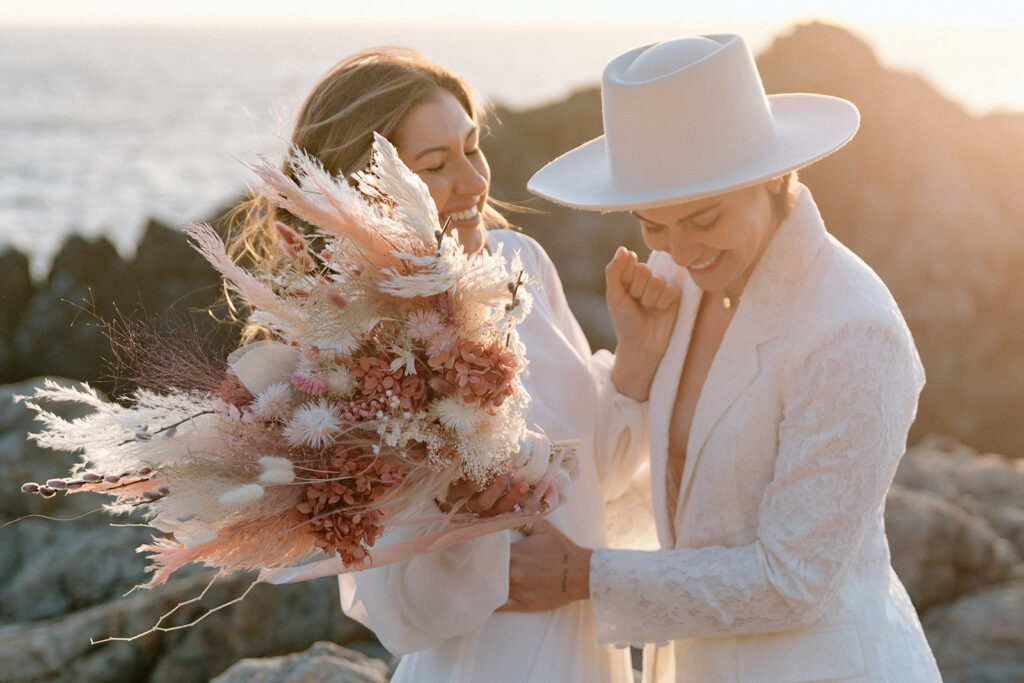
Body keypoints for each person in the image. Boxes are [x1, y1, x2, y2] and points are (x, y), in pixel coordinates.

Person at [507, 34, 942, 681]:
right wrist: (637, 358)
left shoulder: (853, 330)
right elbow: (684, 500)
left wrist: (581, 574)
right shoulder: (679, 283)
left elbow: (792, 578)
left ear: (770, 176)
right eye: (654, 223)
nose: (680, 250)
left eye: (703, 217)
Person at [232, 47, 673, 682]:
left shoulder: (521, 263)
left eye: (472, 147)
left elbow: (591, 475)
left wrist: (640, 353)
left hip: (587, 656)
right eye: (434, 165)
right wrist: (478, 525)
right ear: (366, 192)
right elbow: (398, 615)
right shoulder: (357, 352)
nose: (473, 182)